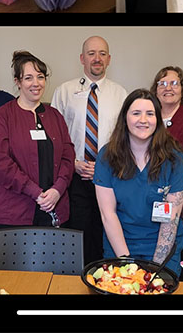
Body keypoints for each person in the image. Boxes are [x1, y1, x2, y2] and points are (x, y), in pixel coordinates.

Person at [94, 89, 183, 275]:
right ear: (125, 118)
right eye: (136, 113)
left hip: (163, 250)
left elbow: (170, 220)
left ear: (158, 119)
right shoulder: (107, 156)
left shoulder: (174, 158)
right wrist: (127, 263)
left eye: (150, 114)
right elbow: (108, 214)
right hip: (119, 245)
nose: (143, 120)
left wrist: (156, 268)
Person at [51, 36, 127, 263]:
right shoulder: (64, 91)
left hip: (110, 177)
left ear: (109, 59)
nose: (97, 58)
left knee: (107, 230)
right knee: (79, 233)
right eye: (92, 53)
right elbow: (55, 137)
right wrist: (73, 164)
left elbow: (126, 139)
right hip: (75, 176)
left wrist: (105, 166)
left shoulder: (121, 94)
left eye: (102, 53)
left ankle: (106, 277)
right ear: (82, 58)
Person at [0, 51, 75, 229]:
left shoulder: (55, 116)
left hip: (54, 208)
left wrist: (57, 190)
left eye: (40, 77)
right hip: (14, 213)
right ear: (18, 82)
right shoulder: (1, 117)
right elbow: (0, 163)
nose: (36, 83)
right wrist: (36, 193)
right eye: (29, 78)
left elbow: (68, 157)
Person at [150, 66, 183, 282]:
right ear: (155, 89)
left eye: (174, 83)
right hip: (153, 203)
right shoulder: (149, 116)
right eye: (162, 83)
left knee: (180, 260)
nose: (168, 88)